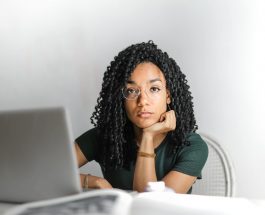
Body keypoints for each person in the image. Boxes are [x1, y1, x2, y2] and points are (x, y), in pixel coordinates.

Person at [75, 41, 208, 193]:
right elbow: (46, 172)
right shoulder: (106, 136)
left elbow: (151, 207)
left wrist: (148, 137)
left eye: (154, 89)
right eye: (131, 91)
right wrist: (95, 181)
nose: (143, 101)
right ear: (121, 98)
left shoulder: (191, 147)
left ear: (168, 96)